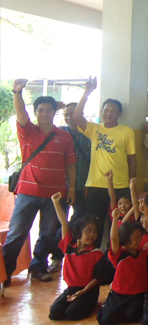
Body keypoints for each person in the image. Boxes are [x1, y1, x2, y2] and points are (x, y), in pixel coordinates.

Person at [3, 79, 77, 284]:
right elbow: (20, 113)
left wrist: (72, 188)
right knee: (17, 234)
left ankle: (38, 267)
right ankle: (4, 273)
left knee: (47, 234)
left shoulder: (65, 136)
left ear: (54, 112)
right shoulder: (28, 131)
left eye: (48, 110)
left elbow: (70, 164)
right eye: (40, 110)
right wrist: (17, 91)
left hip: (55, 195)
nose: (44, 113)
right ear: (35, 112)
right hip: (27, 192)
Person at [73, 78, 136, 247]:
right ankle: (94, 255)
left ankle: (115, 257)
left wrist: (132, 181)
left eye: (113, 111)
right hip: (97, 185)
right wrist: (87, 93)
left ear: (119, 113)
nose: (109, 113)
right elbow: (76, 117)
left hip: (121, 184)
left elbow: (132, 157)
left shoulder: (127, 131)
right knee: (95, 223)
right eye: (106, 110)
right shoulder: (95, 129)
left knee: (121, 223)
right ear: (101, 111)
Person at [48, 101, 93, 274]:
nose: (69, 118)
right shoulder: (58, 134)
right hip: (61, 188)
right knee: (56, 223)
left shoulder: (90, 134)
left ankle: (75, 253)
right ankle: (56, 258)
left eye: (72, 114)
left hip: (83, 187)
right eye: (66, 114)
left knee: (77, 222)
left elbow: (94, 163)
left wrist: (90, 185)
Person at [98, 206, 148, 325]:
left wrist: (147, 213)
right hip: (119, 293)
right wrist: (115, 220)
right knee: (105, 322)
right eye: (136, 238)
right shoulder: (119, 254)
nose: (139, 241)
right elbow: (114, 239)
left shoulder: (143, 253)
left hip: (137, 294)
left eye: (140, 238)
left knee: (133, 317)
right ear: (126, 238)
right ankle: (108, 306)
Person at [48, 193, 106, 321]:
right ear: (79, 232)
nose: (92, 235)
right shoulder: (69, 246)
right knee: (54, 313)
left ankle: (88, 304)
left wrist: (83, 292)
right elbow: (64, 223)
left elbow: (98, 279)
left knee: (71, 314)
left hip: (88, 291)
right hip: (71, 289)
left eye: (95, 231)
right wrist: (56, 203)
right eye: (88, 231)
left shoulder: (97, 254)